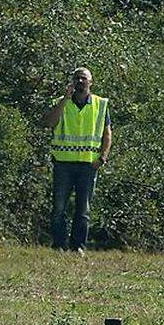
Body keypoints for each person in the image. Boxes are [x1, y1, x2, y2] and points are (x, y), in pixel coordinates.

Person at [42, 67, 112, 254]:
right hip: (63, 163)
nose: (80, 82)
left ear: (91, 82)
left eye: (83, 79)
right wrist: (65, 99)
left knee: (83, 210)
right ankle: (59, 245)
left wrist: (102, 158)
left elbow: (107, 135)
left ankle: (78, 246)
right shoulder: (60, 103)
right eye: (76, 79)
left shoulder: (100, 104)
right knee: (59, 207)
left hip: (88, 165)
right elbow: (49, 122)